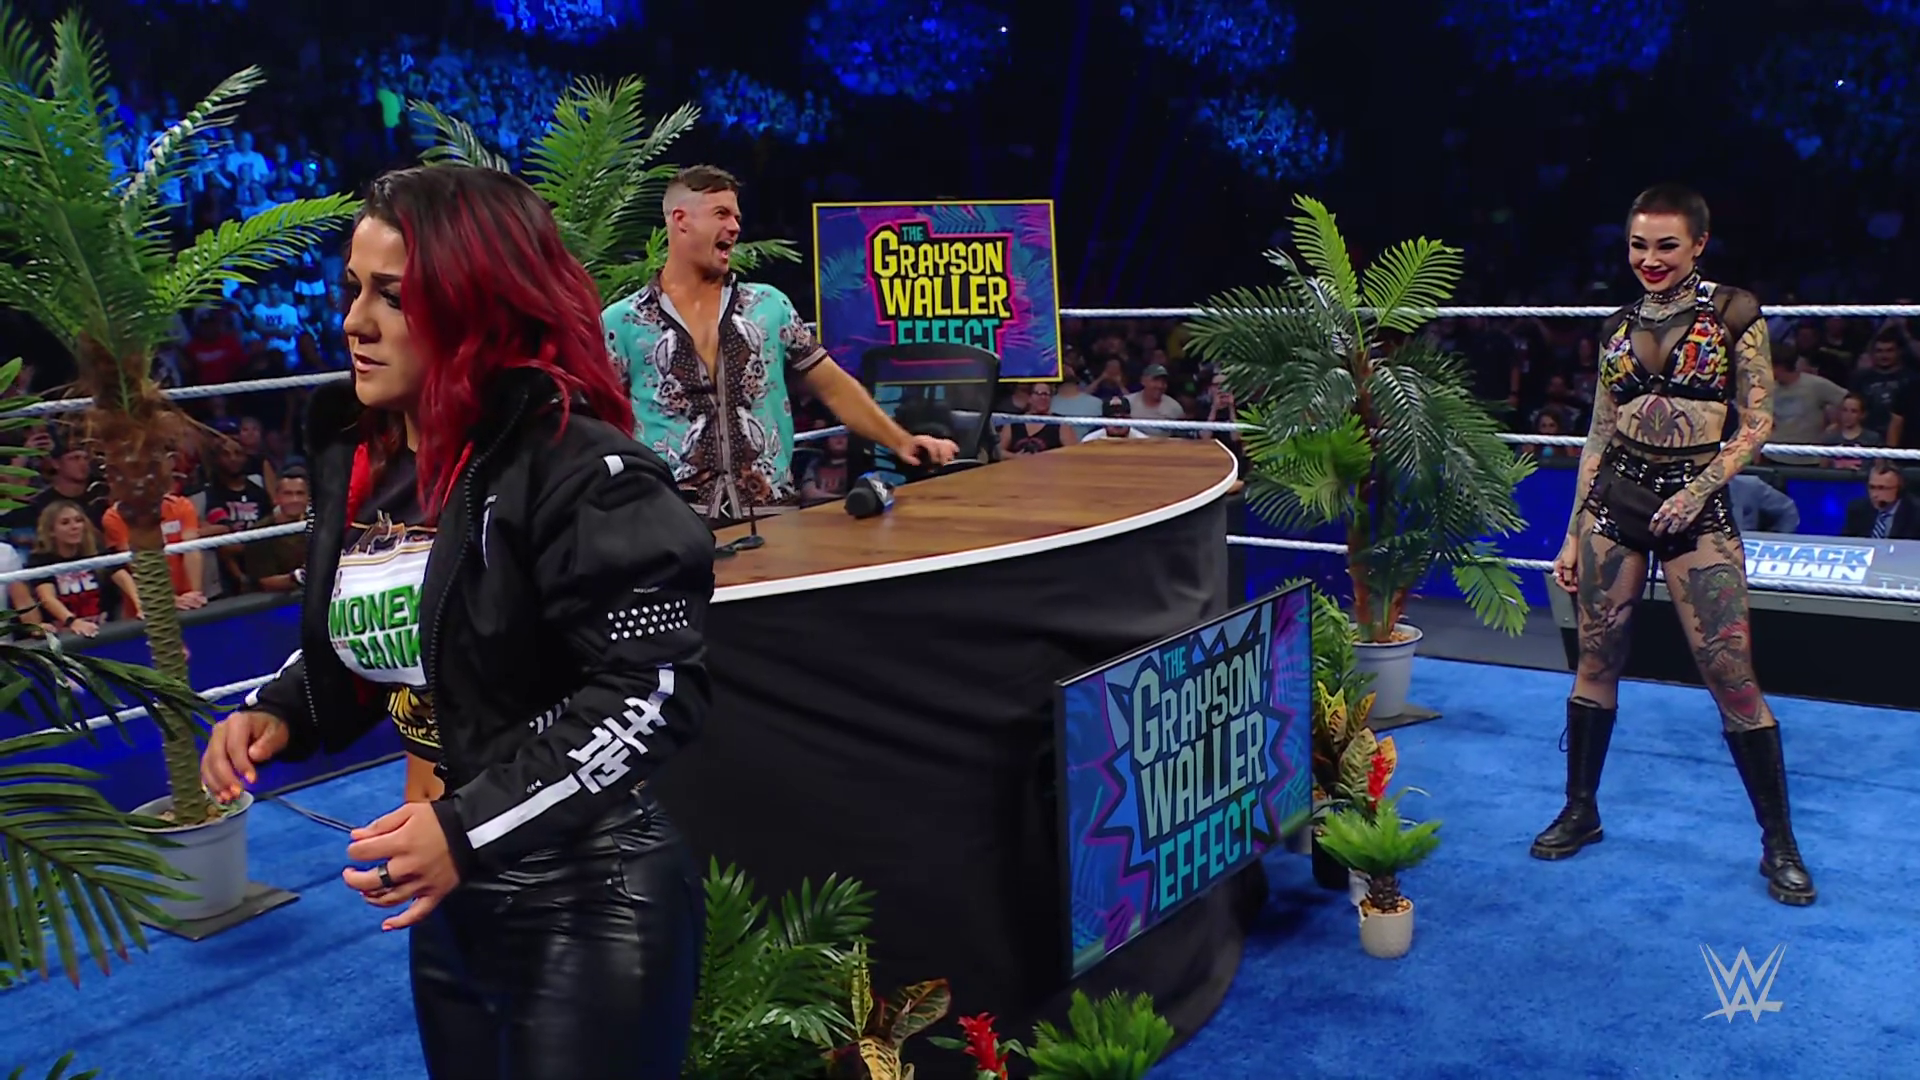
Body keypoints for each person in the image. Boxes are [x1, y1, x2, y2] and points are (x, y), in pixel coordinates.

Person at [199, 165, 711, 1078]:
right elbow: (415, 639)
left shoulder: (580, 468)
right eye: (353, 289)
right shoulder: (372, 464)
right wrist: (283, 708)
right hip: (454, 898)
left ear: (478, 307)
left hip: (589, 894)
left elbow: (655, 690)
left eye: (393, 296)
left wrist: (468, 828)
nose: (355, 322)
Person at [1537, 183, 1815, 907]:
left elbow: (1758, 424)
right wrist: (1571, 534)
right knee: (1596, 660)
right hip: (1616, 501)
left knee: (1731, 673)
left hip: (1696, 503)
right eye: (1639, 245)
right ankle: (1580, 809)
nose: (1650, 259)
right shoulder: (1617, 327)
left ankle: (1779, 843)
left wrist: (1697, 491)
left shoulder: (1734, 312)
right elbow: (1599, 434)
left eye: (1666, 245)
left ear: (1698, 243)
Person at [603, 165, 958, 525]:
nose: (735, 227)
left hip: (770, 515)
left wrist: (902, 441)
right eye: (721, 214)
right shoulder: (622, 322)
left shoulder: (768, 307)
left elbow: (834, 387)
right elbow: (599, 423)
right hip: (670, 522)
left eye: (737, 217)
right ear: (681, 220)